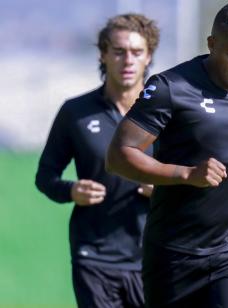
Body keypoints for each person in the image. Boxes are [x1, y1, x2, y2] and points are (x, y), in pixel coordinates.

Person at [105, 3, 228, 307]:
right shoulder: (170, 88)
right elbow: (118, 155)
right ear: (212, 44)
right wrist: (187, 174)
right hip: (174, 254)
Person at [35, 14, 160, 307]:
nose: (127, 60)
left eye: (136, 52)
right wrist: (71, 191)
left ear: (148, 56)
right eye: (118, 51)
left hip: (155, 256)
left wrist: (163, 189)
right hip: (94, 257)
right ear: (104, 55)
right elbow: (45, 176)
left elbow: (193, 176)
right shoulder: (75, 112)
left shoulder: (166, 113)